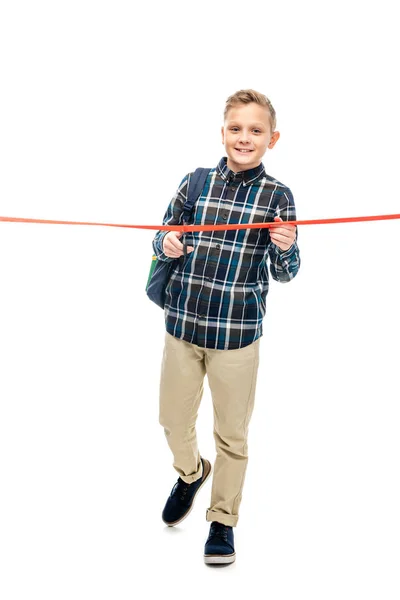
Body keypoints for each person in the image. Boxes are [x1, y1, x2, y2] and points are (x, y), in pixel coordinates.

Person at [151, 89, 300, 565]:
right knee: (173, 420)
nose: (244, 137)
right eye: (236, 128)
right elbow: (160, 237)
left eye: (256, 130)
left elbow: (287, 271)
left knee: (232, 435)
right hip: (184, 325)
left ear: (271, 139)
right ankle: (192, 472)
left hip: (237, 336)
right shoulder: (194, 184)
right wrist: (168, 243)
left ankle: (222, 520)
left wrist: (285, 243)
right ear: (223, 133)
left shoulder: (278, 196)